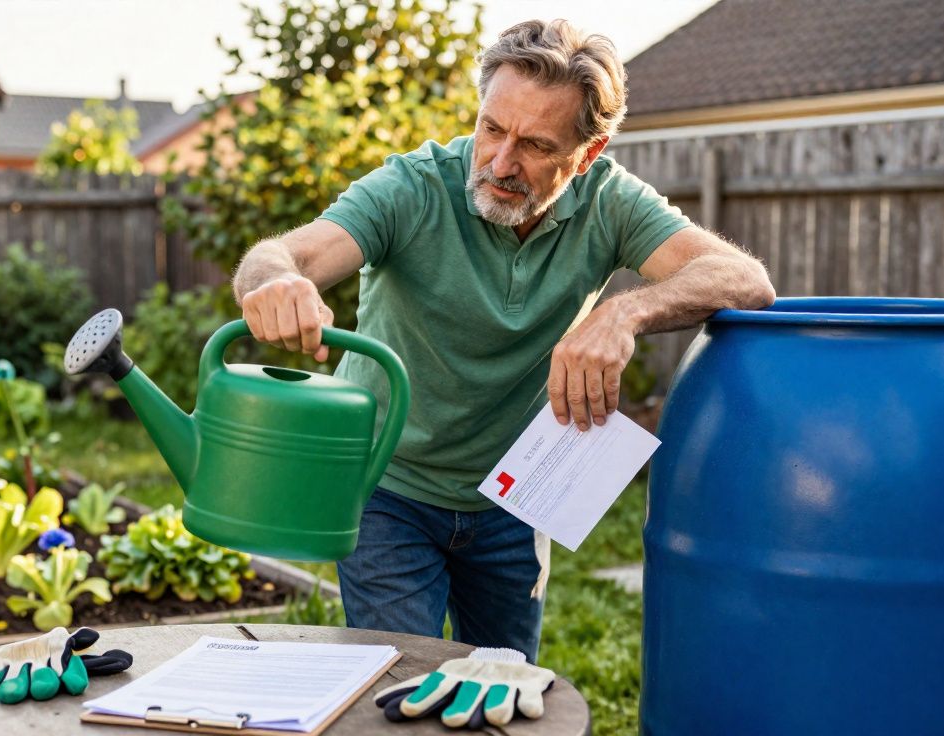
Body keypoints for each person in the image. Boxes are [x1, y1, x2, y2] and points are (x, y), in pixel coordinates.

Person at [231, 19, 776, 662]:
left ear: (589, 152)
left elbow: (745, 279)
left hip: (516, 494)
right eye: (492, 128)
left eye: (536, 145)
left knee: (504, 687)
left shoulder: (611, 203)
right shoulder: (414, 187)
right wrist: (275, 282)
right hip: (387, 487)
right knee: (394, 679)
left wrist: (622, 316)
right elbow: (286, 254)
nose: (500, 162)